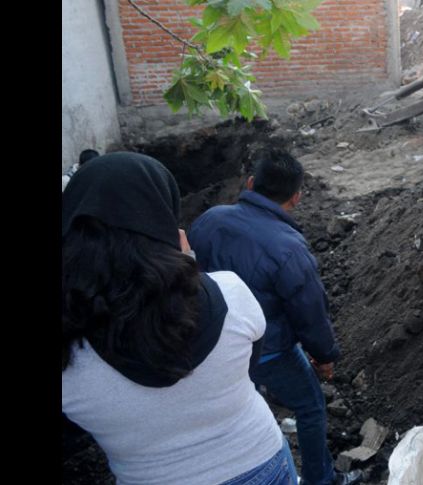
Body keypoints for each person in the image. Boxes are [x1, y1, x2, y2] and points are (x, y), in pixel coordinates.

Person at [62, 152, 297, 485]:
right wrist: (188, 264)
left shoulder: (70, 347)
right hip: (260, 464)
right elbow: (247, 364)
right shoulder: (230, 294)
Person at [189, 148, 363, 485]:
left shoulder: (209, 220)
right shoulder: (289, 247)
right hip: (269, 348)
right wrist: (324, 356)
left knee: (244, 405)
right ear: (296, 197)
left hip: (210, 345)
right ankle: (319, 479)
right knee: (311, 406)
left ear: (251, 183)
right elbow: (309, 311)